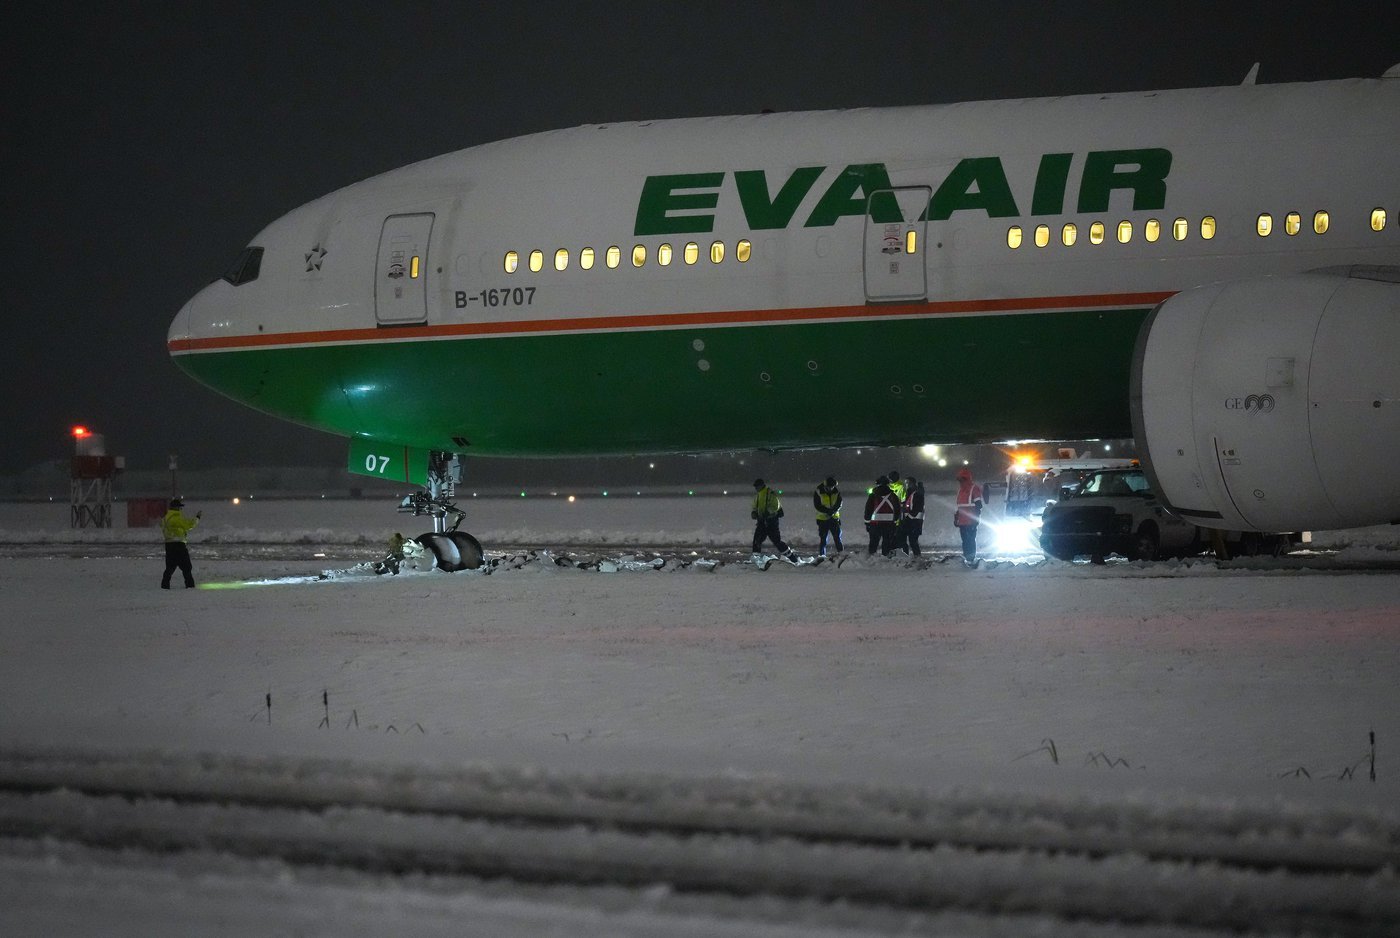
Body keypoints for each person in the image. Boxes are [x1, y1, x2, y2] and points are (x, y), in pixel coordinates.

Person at [160, 497, 201, 589]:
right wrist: (197, 518)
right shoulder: (176, 518)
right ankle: (190, 586)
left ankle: (165, 586)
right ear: (175, 507)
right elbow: (189, 525)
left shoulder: (165, 518)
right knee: (187, 567)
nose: (180, 509)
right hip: (179, 545)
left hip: (169, 545)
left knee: (170, 567)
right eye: (179, 507)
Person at [751, 478, 796, 560]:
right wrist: (754, 512)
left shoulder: (770, 493)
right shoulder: (759, 495)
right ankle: (755, 559)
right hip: (762, 522)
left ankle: (792, 558)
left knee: (777, 541)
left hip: (771, 522)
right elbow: (755, 506)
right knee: (757, 541)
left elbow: (776, 505)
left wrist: (768, 512)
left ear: (761, 486)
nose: (756, 488)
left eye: (757, 486)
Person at [863, 475, 902, 556]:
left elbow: (868, 510)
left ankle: (872, 557)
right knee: (887, 542)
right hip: (889, 524)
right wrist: (895, 521)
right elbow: (898, 510)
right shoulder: (893, 496)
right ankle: (885, 557)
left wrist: (867, 522)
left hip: (875, 523)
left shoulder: (873, 495)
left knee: (874, 542)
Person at [955, 467, 984, 563]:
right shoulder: (961, 490)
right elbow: (960, 507)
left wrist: (975, 517)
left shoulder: (974, 488)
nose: (960, 482)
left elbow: (978, 505)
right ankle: (968, 557)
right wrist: (957, 518)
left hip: (970, 521)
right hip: (964, 521)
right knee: (966, 541)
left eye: (962, 480)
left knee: (970, 540)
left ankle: (970, 558)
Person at [813, 476, 844, 556]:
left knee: (837, 538)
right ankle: (822, 556)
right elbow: (817, 505)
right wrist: (828, 511)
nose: (830, 489)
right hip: (823, 519)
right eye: (829, 487)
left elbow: (839, 503)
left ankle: (841, 555)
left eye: (832, 487)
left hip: (834, 518)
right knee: (823, 540)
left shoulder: (836, 492)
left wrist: (833, 511)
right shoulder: (818, 491)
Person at [901, 476, 926, 556]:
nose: (906, 484)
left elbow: (917, 507)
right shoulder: (911, 492)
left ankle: (917, 557)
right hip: (911, 519)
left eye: (907, 483)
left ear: (912, 483)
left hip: (914, 520)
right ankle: (910, 555)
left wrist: (910, 515)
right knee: (908, 540)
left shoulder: (916, 493)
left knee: (913, 541)